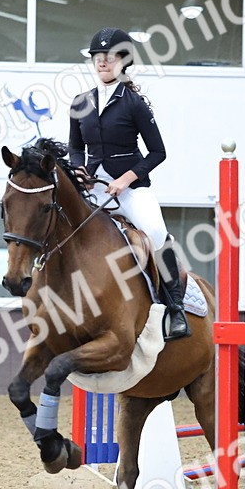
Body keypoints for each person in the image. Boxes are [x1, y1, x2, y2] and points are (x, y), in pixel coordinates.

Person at [67, 27, 189, 341]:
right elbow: (75, 148)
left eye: (109, 57)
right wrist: (79, 171)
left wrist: (125, 179)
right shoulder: (80, 102)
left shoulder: (134, 103)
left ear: (123, 61)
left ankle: (175, 308)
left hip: (131, 188)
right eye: (97, 57)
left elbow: (158, 152)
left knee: (157, 231)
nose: (102, 62)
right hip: (92, 187)